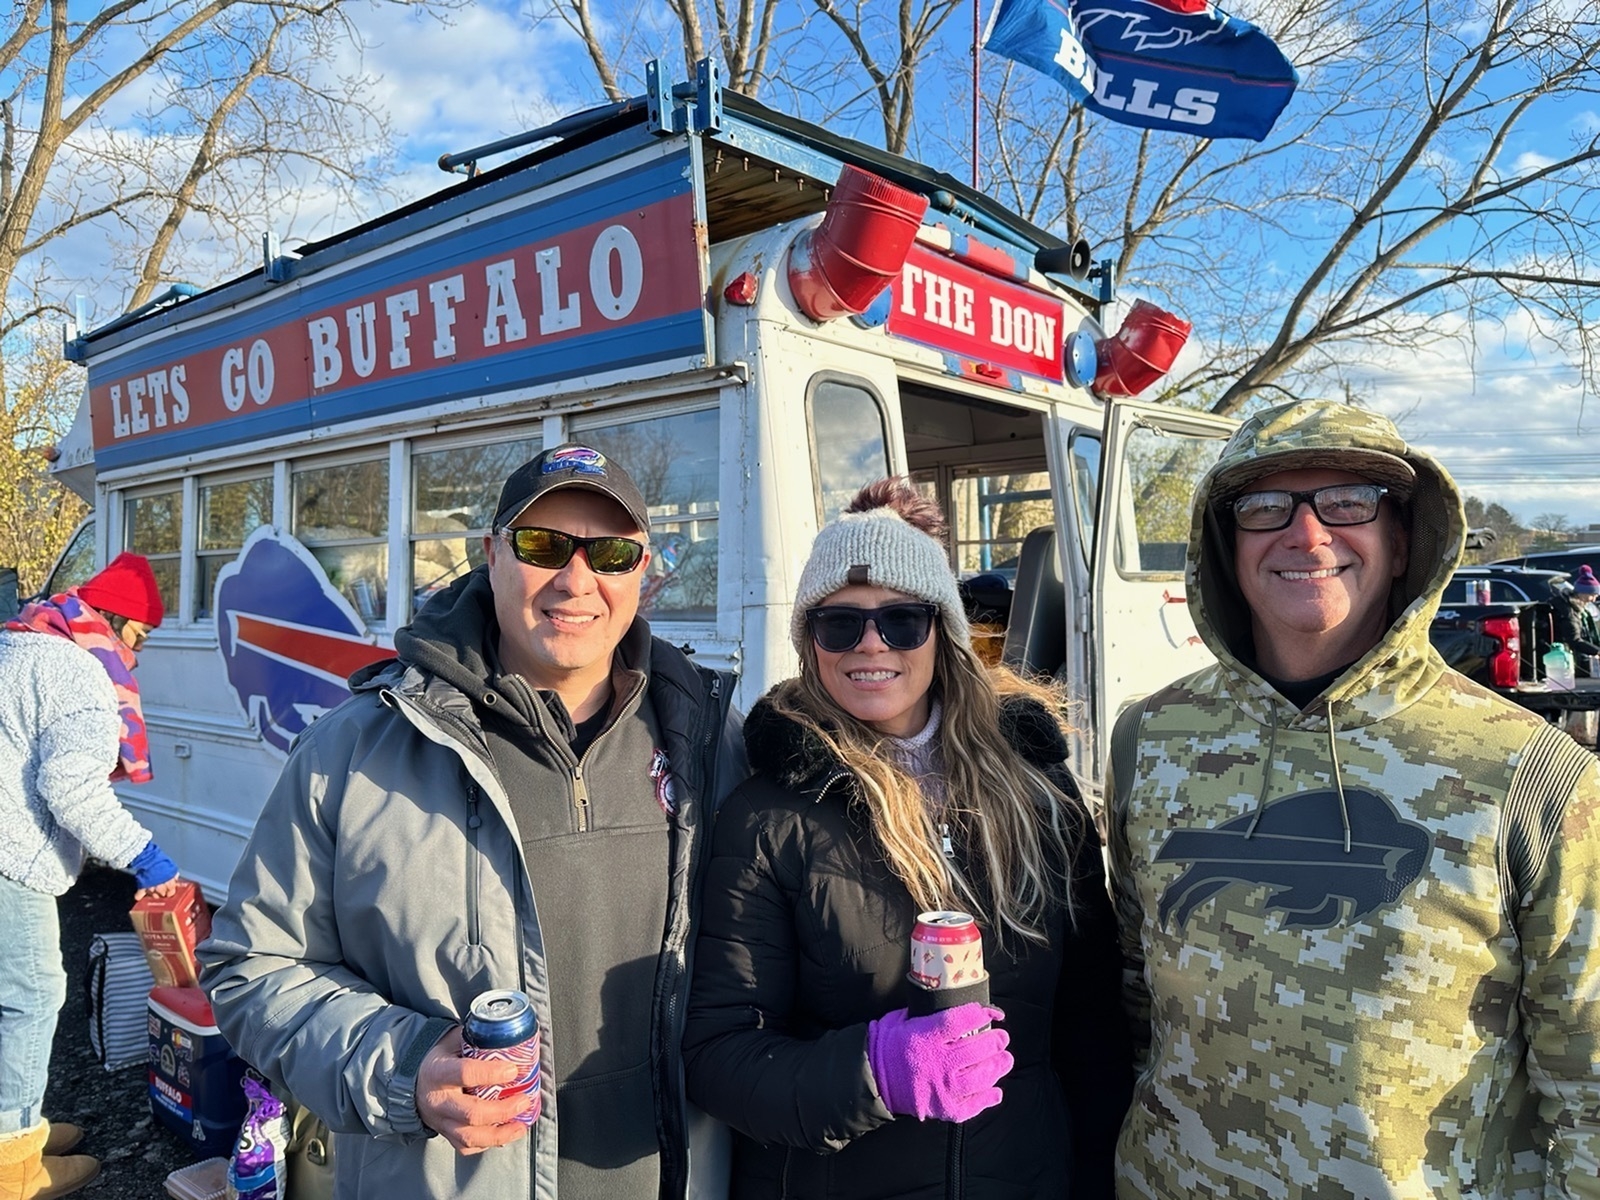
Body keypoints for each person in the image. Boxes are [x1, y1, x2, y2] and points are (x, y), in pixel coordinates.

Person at [200, 445, 746, 1200]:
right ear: (491, 554)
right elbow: (252, 966)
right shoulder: (354, 750)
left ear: (643, 572)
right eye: (543, 544)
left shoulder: (712, 740)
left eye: (611, 554)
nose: (576, 579)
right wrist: (405, 1067)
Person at [1106, 399, 1600, 1197]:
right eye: (1265, 507)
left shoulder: (1532, 774)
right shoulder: (1149, 739)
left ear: (1402, 541)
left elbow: (1588, 1087)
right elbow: (1135, 994)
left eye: (1347, 503)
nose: (1306, 535)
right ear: (1225, 545)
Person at [683, 479, 1130, 1198]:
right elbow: (719, 1055)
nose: (870, 643)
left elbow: (1092, 1022)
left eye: (902, 620)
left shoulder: (1039, 792)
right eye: (839, 624)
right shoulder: (768, 817)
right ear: (809, 642)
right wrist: (873, 1072)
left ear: (943, 633)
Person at [0, 552, 181, 1200]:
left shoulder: (20, 641)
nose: (137, 655)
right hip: (8, 856)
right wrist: (145, 857)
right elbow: (71, 789)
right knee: (30, 998)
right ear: (117, 624)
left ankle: (16, 1124)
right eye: (141, 638)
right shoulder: (82, 673)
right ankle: (13, 1166)